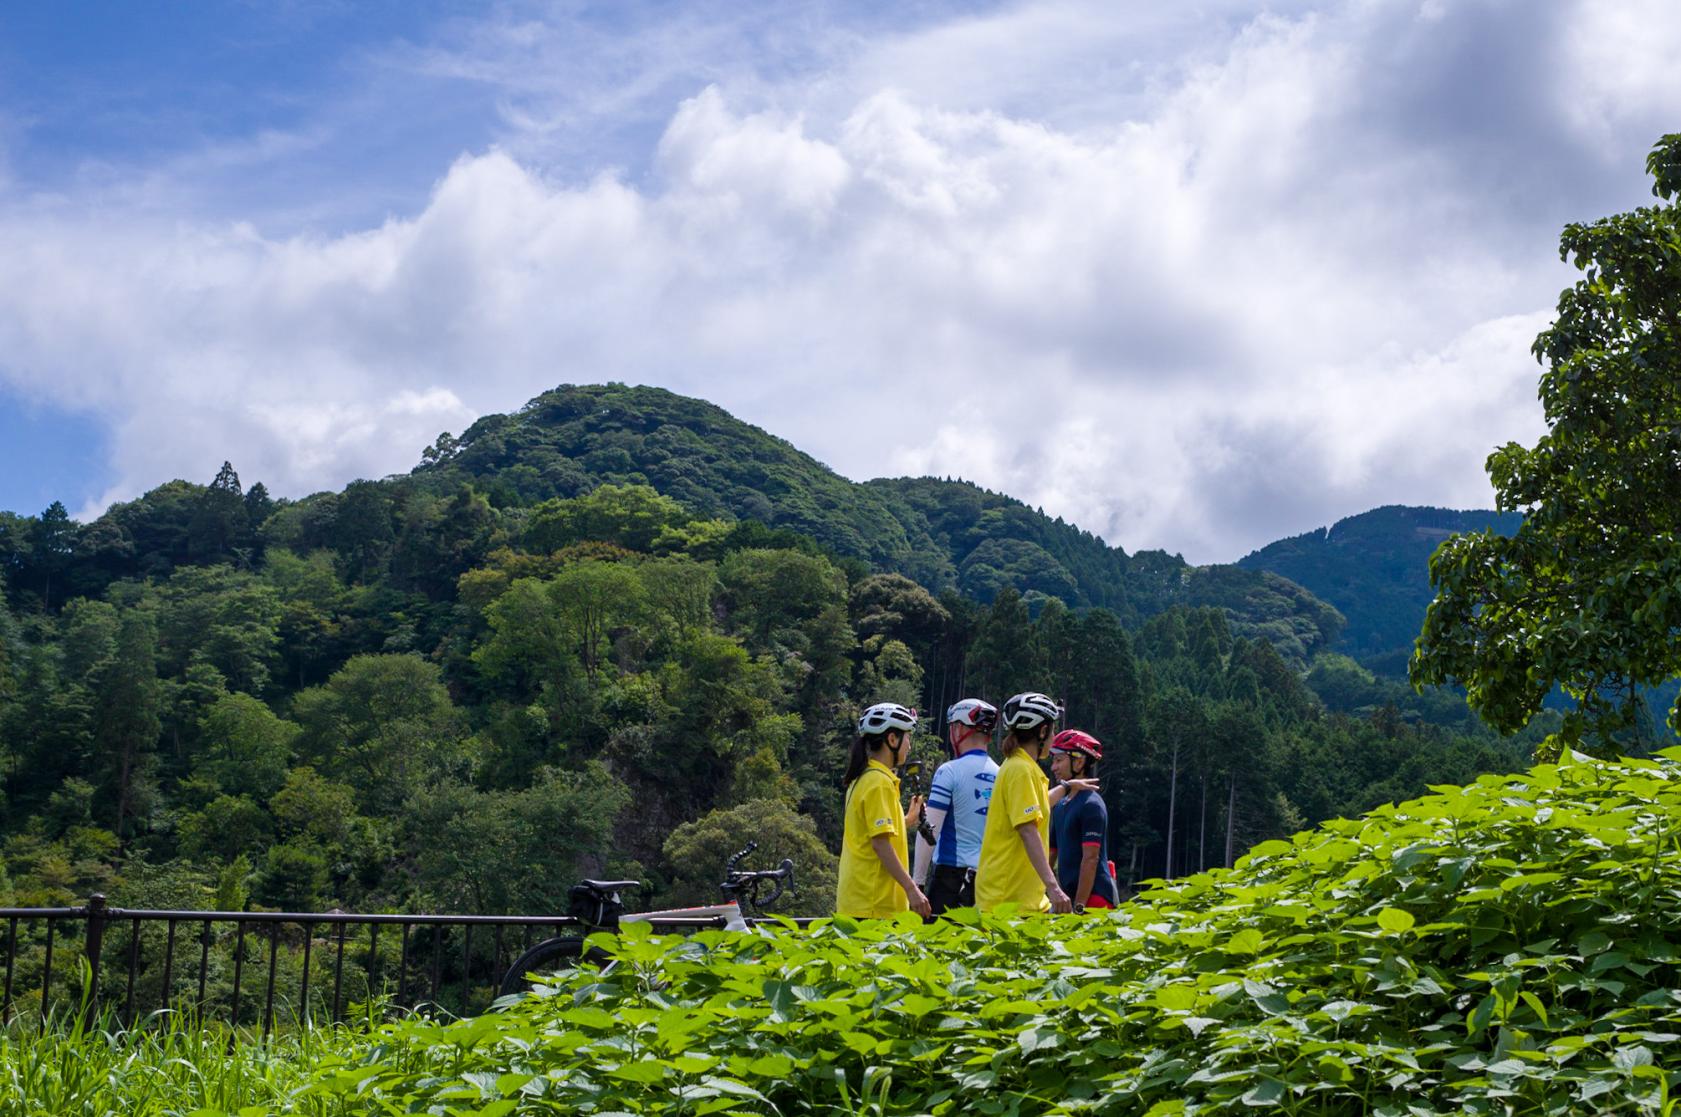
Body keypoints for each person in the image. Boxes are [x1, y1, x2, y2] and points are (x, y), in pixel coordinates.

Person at [974, 692, 1097, 914]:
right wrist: (1054, 888)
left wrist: (1068, 786)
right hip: (1008, 901)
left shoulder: (1022, 766)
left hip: (1024, 898)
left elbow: (1038, 806)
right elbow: (1028, 830)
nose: (1054, 737)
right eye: (1052, 730)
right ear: (1042, 731)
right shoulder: (1021, 770)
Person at [836, 702, 933, 918]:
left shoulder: (863, 778)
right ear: (892, 739)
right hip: (874, 905)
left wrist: (908, 819)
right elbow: (880, 844)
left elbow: (870, 831)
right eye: (907, 737)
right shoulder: (879, 783)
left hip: (858, 901)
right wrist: (912, 889)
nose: (909, 745)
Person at [911, 698, 1000, 913]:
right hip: (991, 880)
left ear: (959, 729)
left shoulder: (949, 771)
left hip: (951, 879)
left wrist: (917, 883)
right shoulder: (1002, 773)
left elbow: (929, 830)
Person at [1047, 729, 1119, 912]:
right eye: (1053, 761)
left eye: (1059, 760)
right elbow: (1050, 855)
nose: (1053, 767)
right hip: (1068, 898)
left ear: (1079, 762)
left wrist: (1079, 907)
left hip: (1094, 899)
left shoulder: (1091, 805)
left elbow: (1090, 860)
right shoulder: (1061, 805)